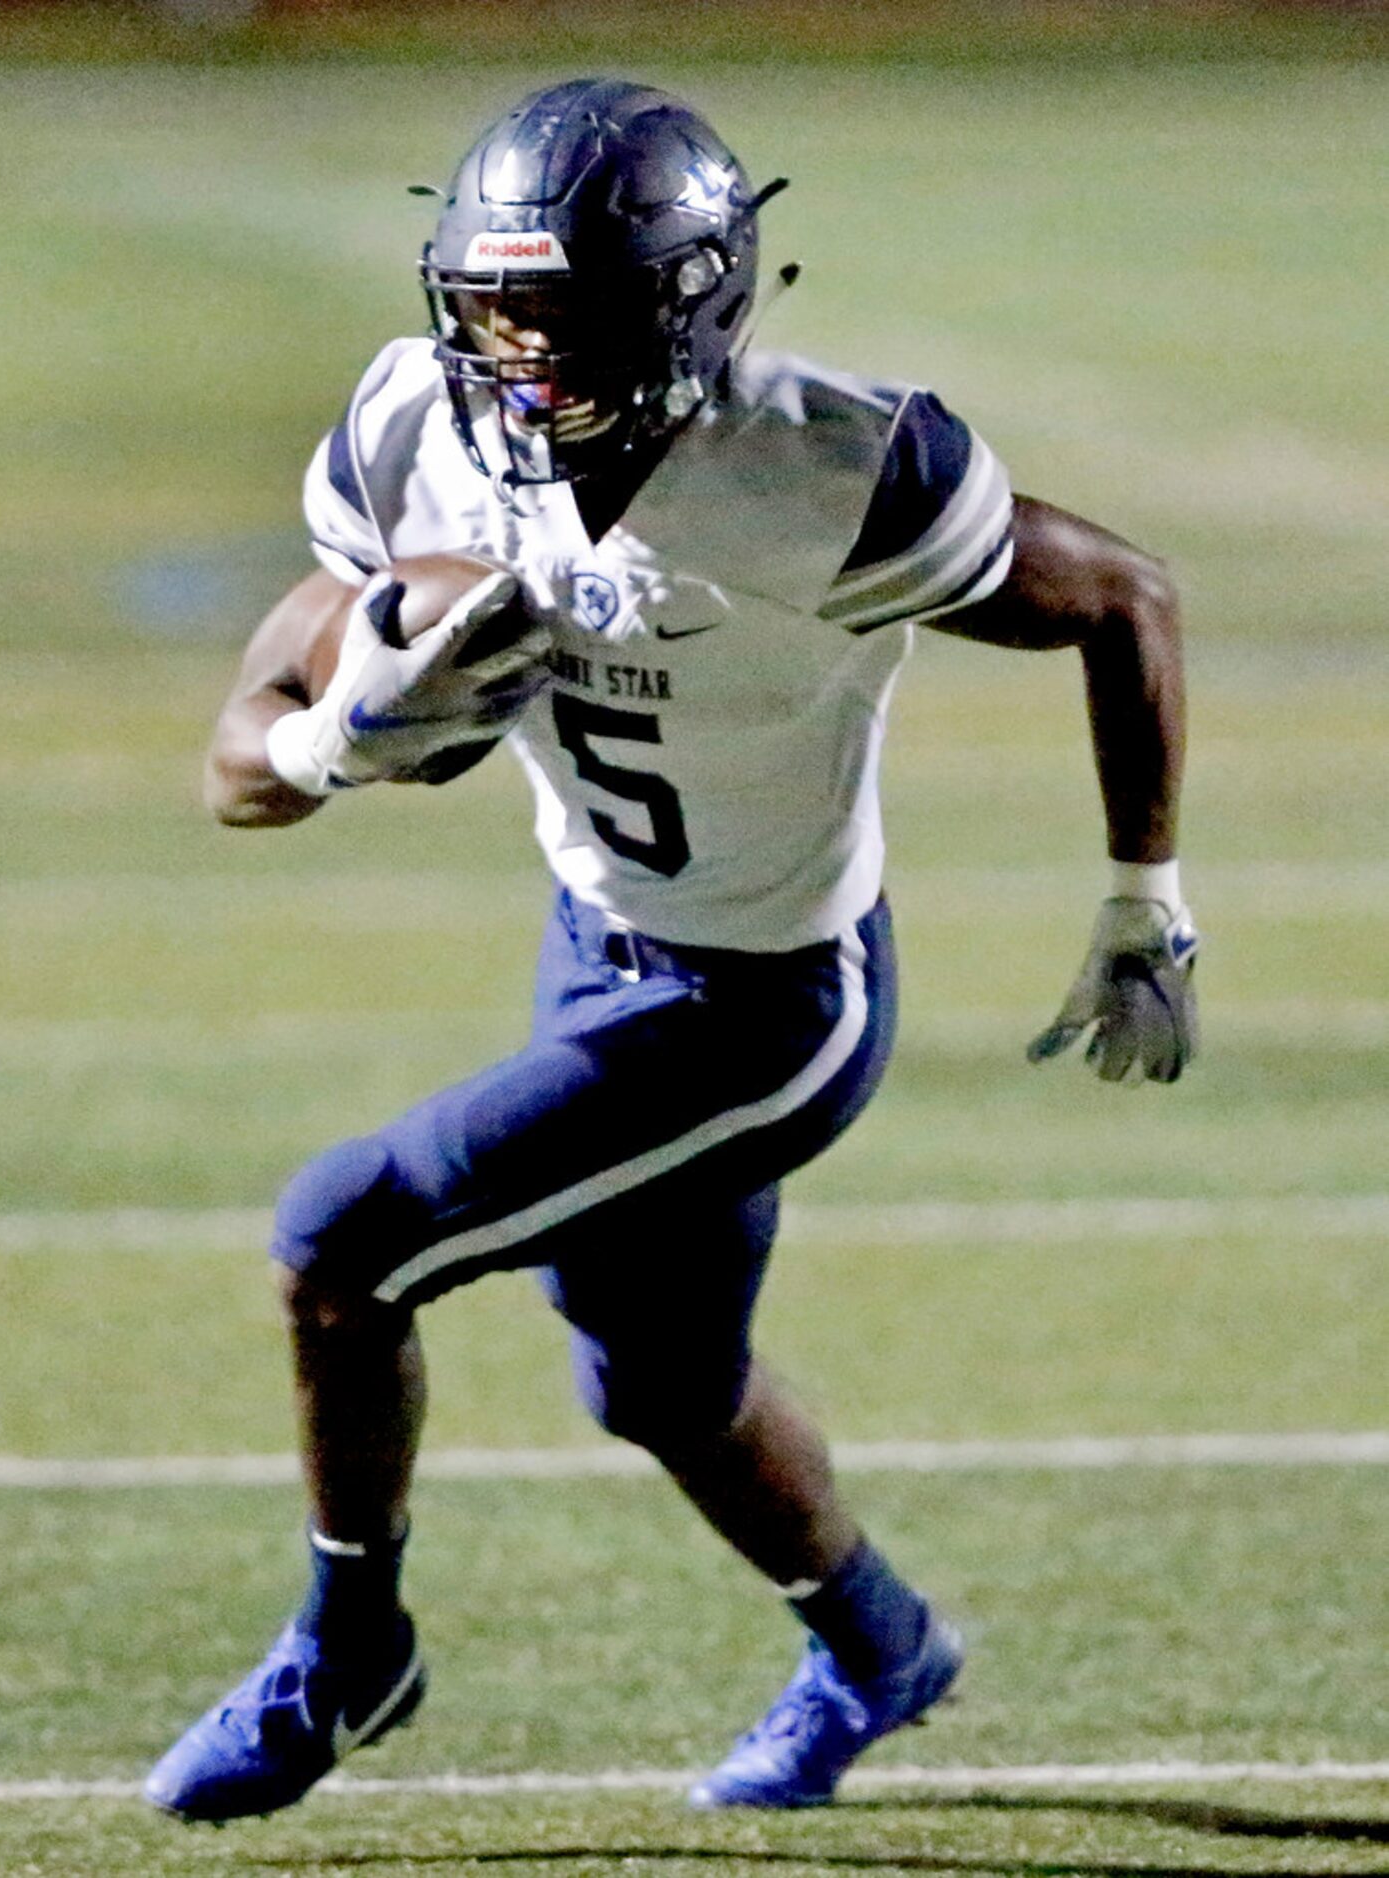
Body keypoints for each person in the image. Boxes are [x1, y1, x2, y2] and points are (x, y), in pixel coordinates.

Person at [145, 77, 1199, 1824]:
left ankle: (351, 1646)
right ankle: (878, 1648)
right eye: (492, 311)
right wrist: (347, 733)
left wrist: (1139, 898)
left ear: (685, 302)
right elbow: (239, 757)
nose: (520, 359)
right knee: (658, 1376)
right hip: (600, 948)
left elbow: (1122, 595)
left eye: (563, 316)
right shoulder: (420, 434)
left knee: (343, 1241)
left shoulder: (826, 467)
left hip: (766, 1004)